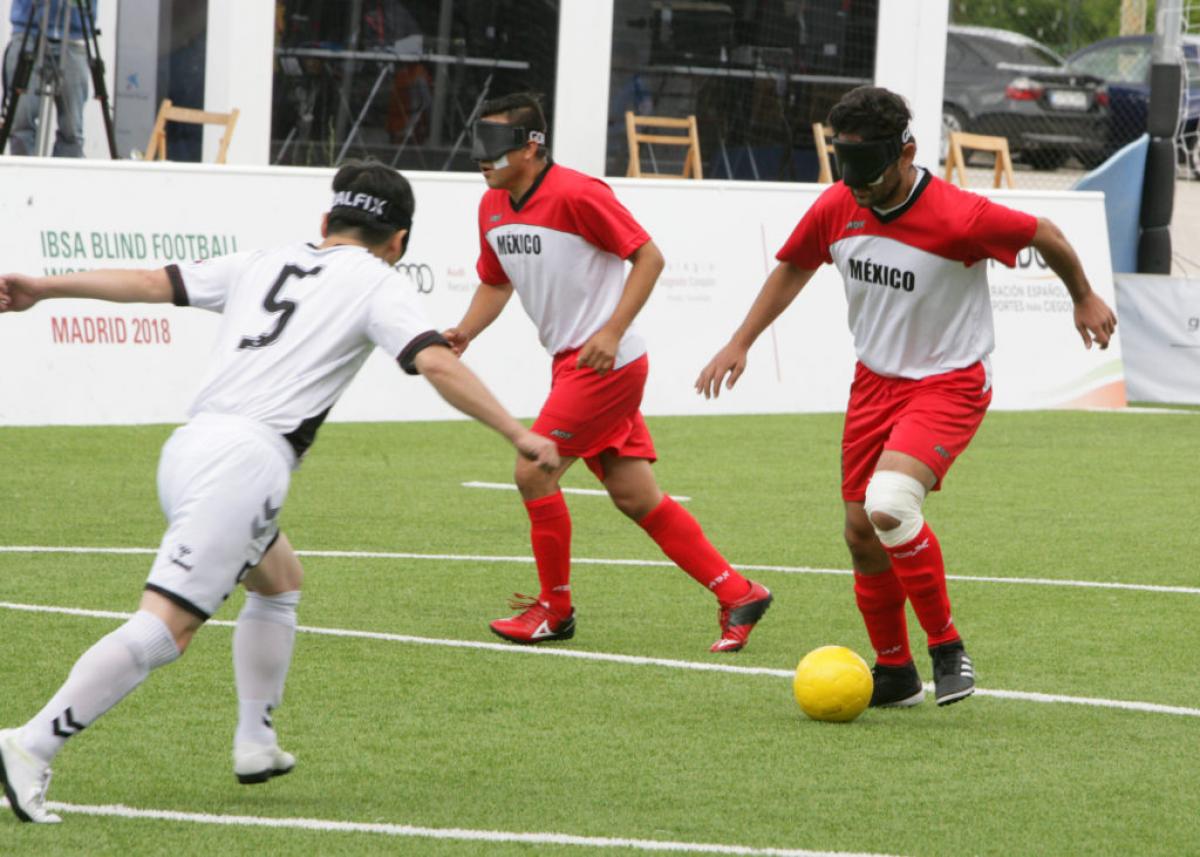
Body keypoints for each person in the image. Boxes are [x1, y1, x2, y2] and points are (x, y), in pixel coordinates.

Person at [0, 162, 560, 824]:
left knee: (278, 576)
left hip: (191, 446)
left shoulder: (264, 260)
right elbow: (434, 359)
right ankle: (30, 744)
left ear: (326, 222)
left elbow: (154, 282)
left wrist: (44, 285)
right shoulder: (380, 281)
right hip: (246, 461)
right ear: (399, 241)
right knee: (167, 628)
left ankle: (255, 741)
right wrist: (518, 433)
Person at [696, 86, 1116, 707]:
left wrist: (1082, 295)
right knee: (861, 533)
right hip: (874, 384)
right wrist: (741, 342)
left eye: (868, 168)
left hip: (950, 381)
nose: (856, 182)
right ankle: (895, 670)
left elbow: (1045, 232)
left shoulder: (959, 216)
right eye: (847, 165)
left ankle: (947, 647)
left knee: (889, 503)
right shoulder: (838, 204)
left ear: (907, 152)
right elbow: (792, 267)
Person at [445, 92, 773, 652]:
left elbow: (649, 256)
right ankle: (738, 592)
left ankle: (556, 610)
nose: (482, 158)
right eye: (477, 144)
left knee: (533, 473)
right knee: (636, 497)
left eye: (493, 147)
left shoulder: (578, 193)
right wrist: (464, 333)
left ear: (531, 147)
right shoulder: (492, 206)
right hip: (572, 365)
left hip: (605, 365)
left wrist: (612, 331)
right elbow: (496, 282)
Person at [2, 0, 96, 157]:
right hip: (28, 28)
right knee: (21, 122)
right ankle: (24, 176)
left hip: (74, 33)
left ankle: (64, 178)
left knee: (72, 129)